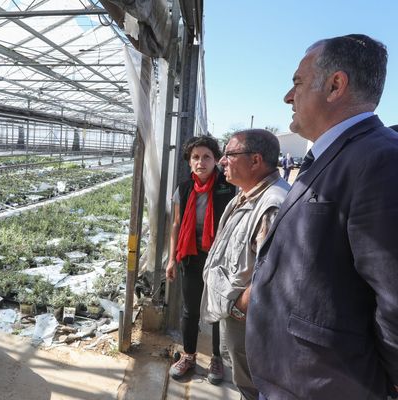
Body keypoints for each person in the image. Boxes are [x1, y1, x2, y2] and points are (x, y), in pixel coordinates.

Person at [246, 34, 398, 400]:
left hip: (327, 385)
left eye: (297, 83)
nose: (288, 96)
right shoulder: (336, 156)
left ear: (335, 85)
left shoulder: (381, 161)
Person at [200, 129, 290, 400]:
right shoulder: (247, 194)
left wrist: (238, 308)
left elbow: (271, 276)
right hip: (241, 317)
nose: (222, 161)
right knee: (244, 380)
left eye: (230, 154)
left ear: (256, 161)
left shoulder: (272, 204)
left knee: (253, 385)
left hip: (250, 321)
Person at [165, 135, 235, 382]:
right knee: (190, 309)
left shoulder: (228, 186)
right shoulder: (183, 189)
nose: (201, 162)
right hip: (191, 256)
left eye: (206, 157)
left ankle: (217, 359)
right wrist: (172, 259)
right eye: (195, 157)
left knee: (217, 310)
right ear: (189, 162)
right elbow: (175, 224)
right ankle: (189, 356)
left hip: (220, 260)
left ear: (216, 160)